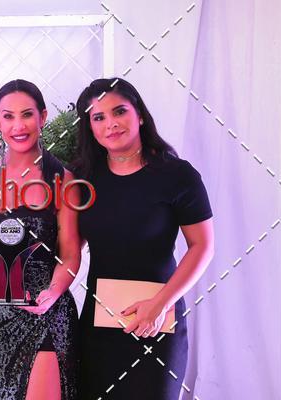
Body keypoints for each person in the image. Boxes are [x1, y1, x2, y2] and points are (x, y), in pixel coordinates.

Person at [72, 77, 215, 400]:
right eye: (99, 117)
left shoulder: (177, 175)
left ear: (139, 114)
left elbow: (203, 246)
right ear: (90, 128)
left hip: (159, 322)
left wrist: (159, 303)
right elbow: (70, 246)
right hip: (99, 329)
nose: (111, 124)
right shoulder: (81, 178)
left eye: (119, 111)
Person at [0, 79, 81, 400]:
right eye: (8, 116)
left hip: (43, 315)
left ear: (42, 117)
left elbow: (71, 254)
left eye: (27, 115)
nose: (18, 126)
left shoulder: (63, 180)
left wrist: (52, 293)